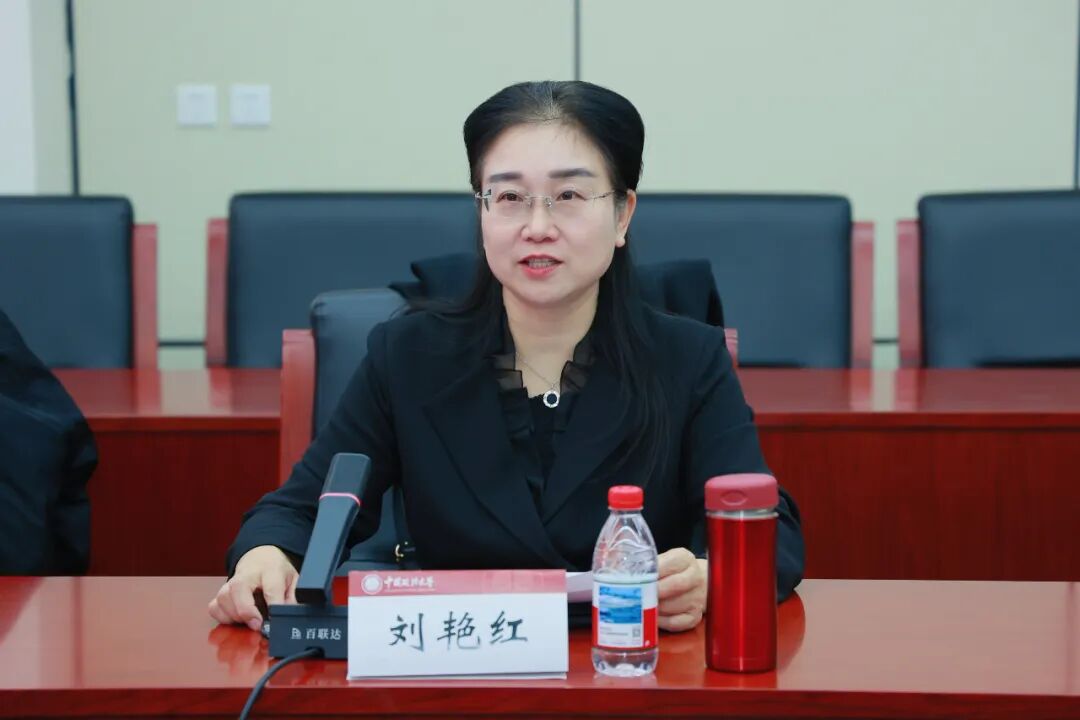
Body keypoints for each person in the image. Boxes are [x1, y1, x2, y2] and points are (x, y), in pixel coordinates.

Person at [209, 80, 804, 632]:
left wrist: (710, 578)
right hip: (458, 664)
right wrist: (265, 555)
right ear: (482, 211)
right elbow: (298, 511)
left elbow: (770, 531)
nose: (537, 226)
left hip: (628, 661)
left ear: (622, 214)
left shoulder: (687, 358)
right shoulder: (409, 356)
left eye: (568, 195)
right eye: (510, 196)